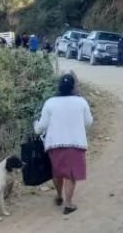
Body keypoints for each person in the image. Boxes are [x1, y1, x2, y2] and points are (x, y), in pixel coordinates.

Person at [34, 73, 94, 215]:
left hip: (54, 143)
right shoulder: (81, 102)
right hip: (75, 143)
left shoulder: (50, 102)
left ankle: (59, 195)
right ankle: (68, 203)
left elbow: (41, 126)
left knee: (57, 171)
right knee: (71, 174)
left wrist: (35, 126)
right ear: (73, 87)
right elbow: (89, 122)